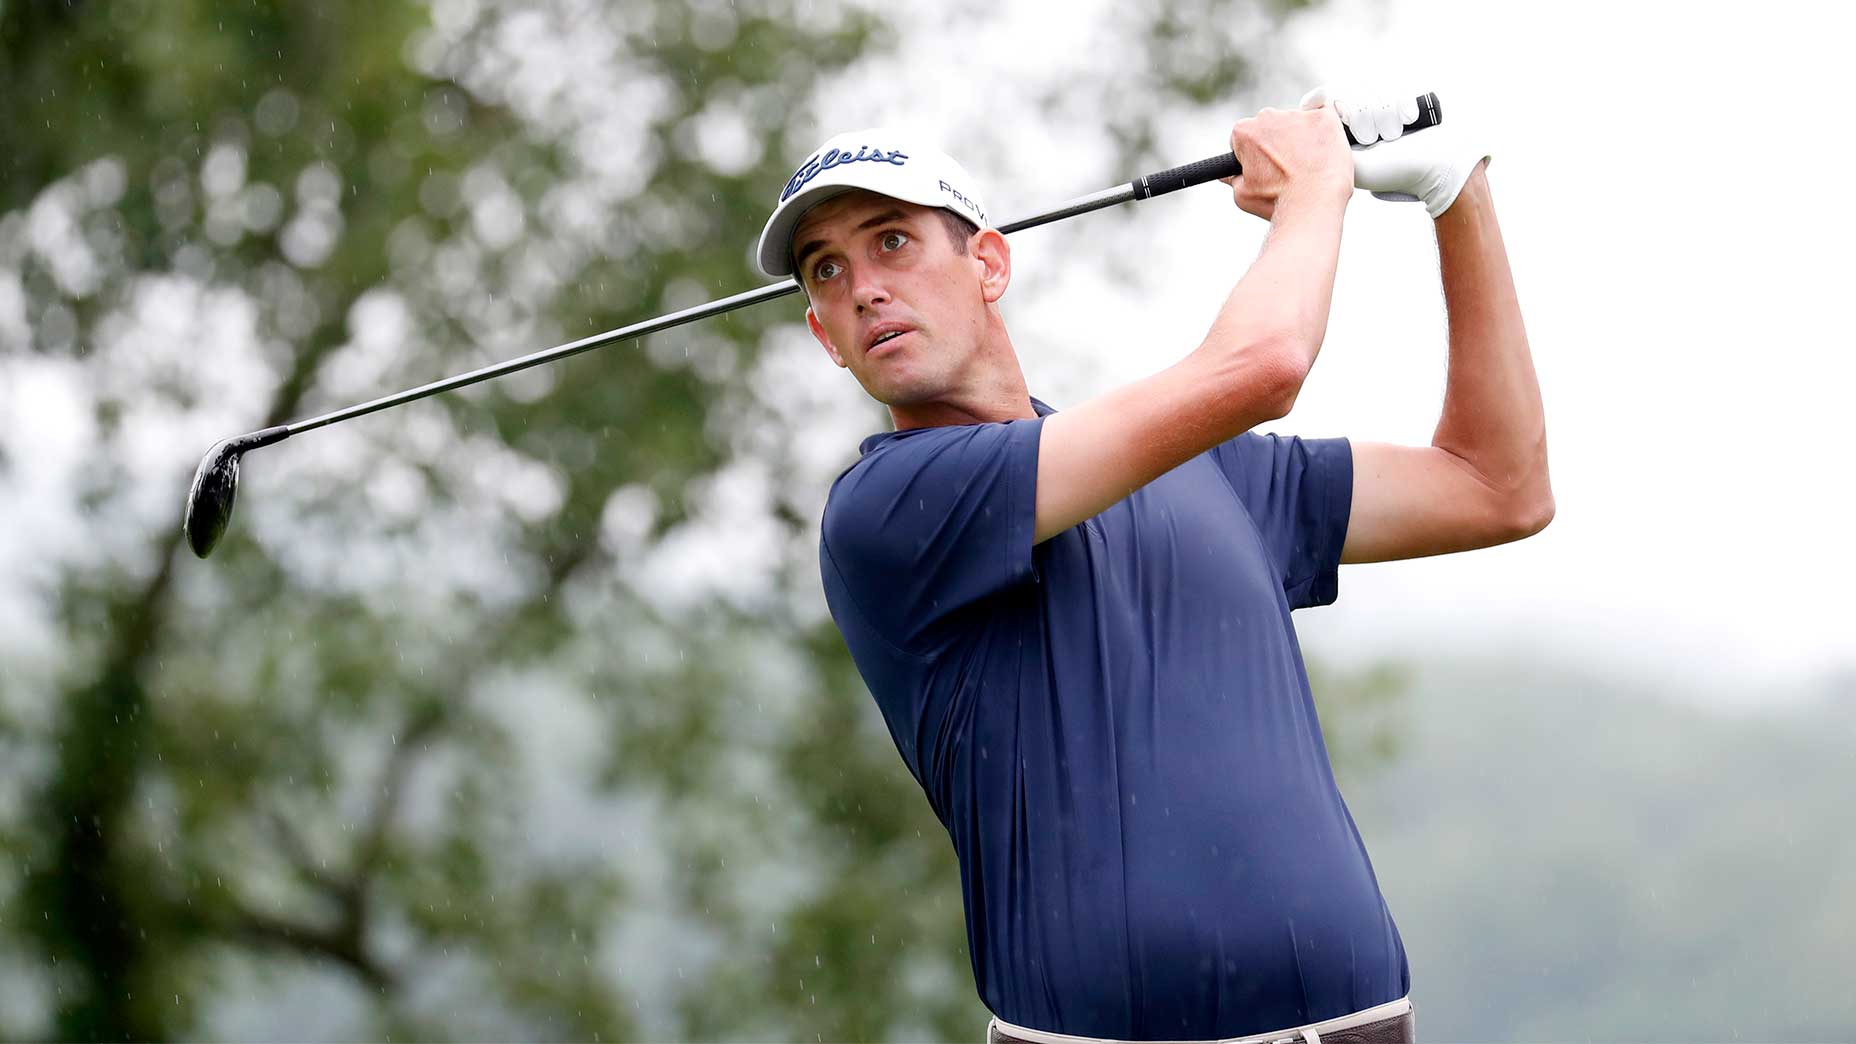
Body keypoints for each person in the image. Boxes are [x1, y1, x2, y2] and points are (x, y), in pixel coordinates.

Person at [753, 87, 1551, 1044]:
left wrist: (1457, 194)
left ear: (989, 262)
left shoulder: (1203, 469)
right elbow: (1263, 368)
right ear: (823, 336)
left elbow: (1496, 487)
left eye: (892, 243)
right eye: (826, 271)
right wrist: (1315, 191)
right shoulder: (887, 510)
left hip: (1360, 1026)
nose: (864, 287)